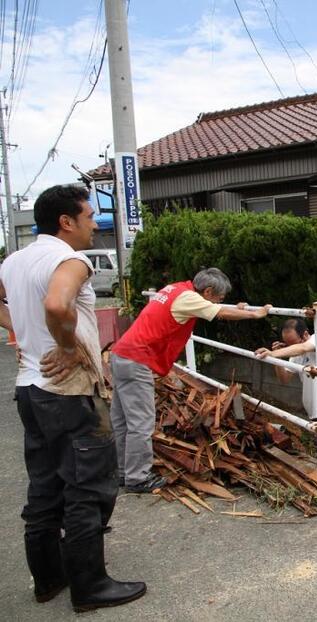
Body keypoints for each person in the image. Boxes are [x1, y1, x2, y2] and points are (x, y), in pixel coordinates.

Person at [0, 185, 146, 612]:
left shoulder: (14, 260)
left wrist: (20, 332)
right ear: (66, 222)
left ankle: (48, 580)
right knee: (88, 487)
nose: (93, 225)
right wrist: (65, 347)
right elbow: (57, 304)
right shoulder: (70, 259)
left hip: (30, 389)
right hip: (68, 391)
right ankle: (90, 587)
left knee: (45, 485)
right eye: (88, 217)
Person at [109, 268, 271, 493]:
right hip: (138, 359)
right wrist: (256, 314)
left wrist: (236, 308)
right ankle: (138, 478)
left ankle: (123, 472)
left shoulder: (176, 289)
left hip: (122, 355)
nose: (219, 302)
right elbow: (219, 313)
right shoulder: (189, 298)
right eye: (219, 298)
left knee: (122, 420)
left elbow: (216, 308)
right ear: (208, 291)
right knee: (140, 423)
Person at [255, 318, 317, 470]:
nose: (291, 346)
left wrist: (275, 353)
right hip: (314, 411)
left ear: (306, 334)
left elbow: (302, 348)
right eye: (287, 343)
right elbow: (284, 378)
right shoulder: (295, 352)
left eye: (293, 342)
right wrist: (277, 358)